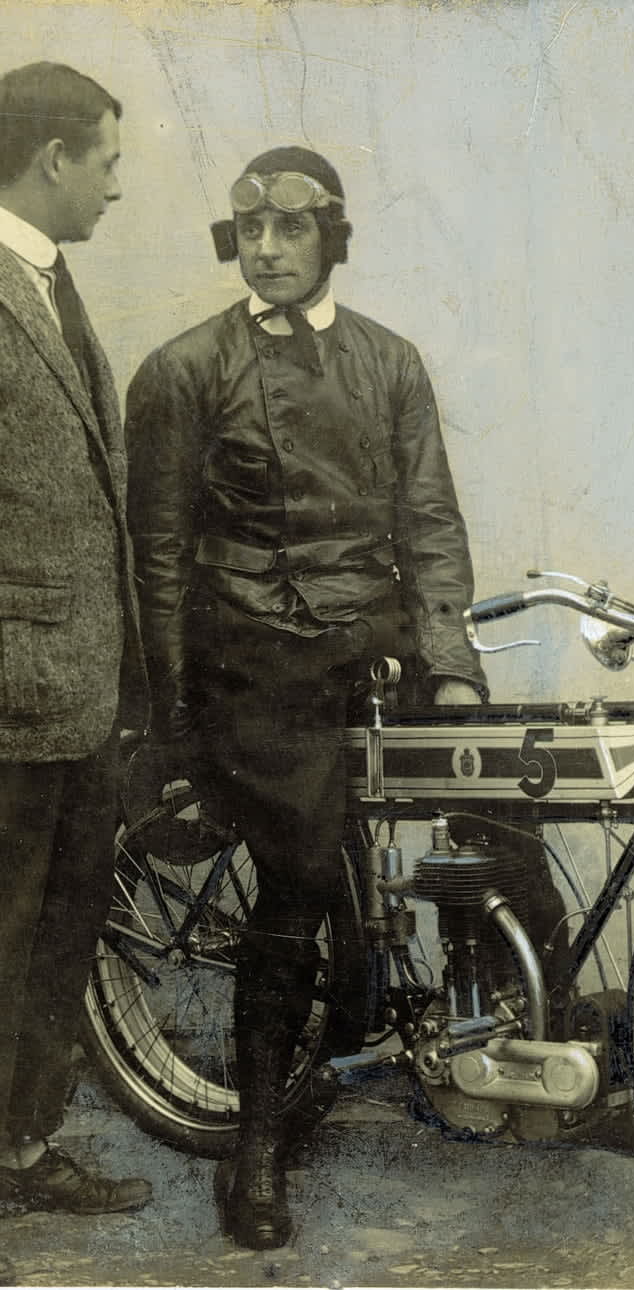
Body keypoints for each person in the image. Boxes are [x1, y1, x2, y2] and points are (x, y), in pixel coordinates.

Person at [124, 146, 493, 1251]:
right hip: (256, 659)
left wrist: (454, 662)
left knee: (510, 802)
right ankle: (257, 1146)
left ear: (334, 236)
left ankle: (545, 1061)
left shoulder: (391, 363)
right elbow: (155, 560)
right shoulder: (185, 371)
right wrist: (177, 714)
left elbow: (429, 522)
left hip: (373, 644)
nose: (268, 248)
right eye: (249, 230)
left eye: (290, 228)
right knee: (292, 880)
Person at [0, 59, 153, 1250]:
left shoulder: (48, 283)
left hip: (81, 691)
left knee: (57, 935)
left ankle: (21, 1150)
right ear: (53, 158)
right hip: (14, 694)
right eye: (105, 156)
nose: (116, 182)